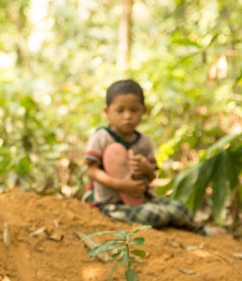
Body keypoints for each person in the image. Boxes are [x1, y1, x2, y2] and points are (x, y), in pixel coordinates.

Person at [84, 79, 205, 234]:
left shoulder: (144, 141)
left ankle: (200, 231)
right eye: (120, 111)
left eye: (134, 110)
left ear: (144, 111)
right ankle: (111, 214)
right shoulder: (102, 137)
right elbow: (91, 171)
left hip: (143, 199)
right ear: (107, 112)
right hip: (111, 203)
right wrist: (121, 185)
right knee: (158, 216)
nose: (127, 116)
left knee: (181, 210)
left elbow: (152, 177)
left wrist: (147, 168)